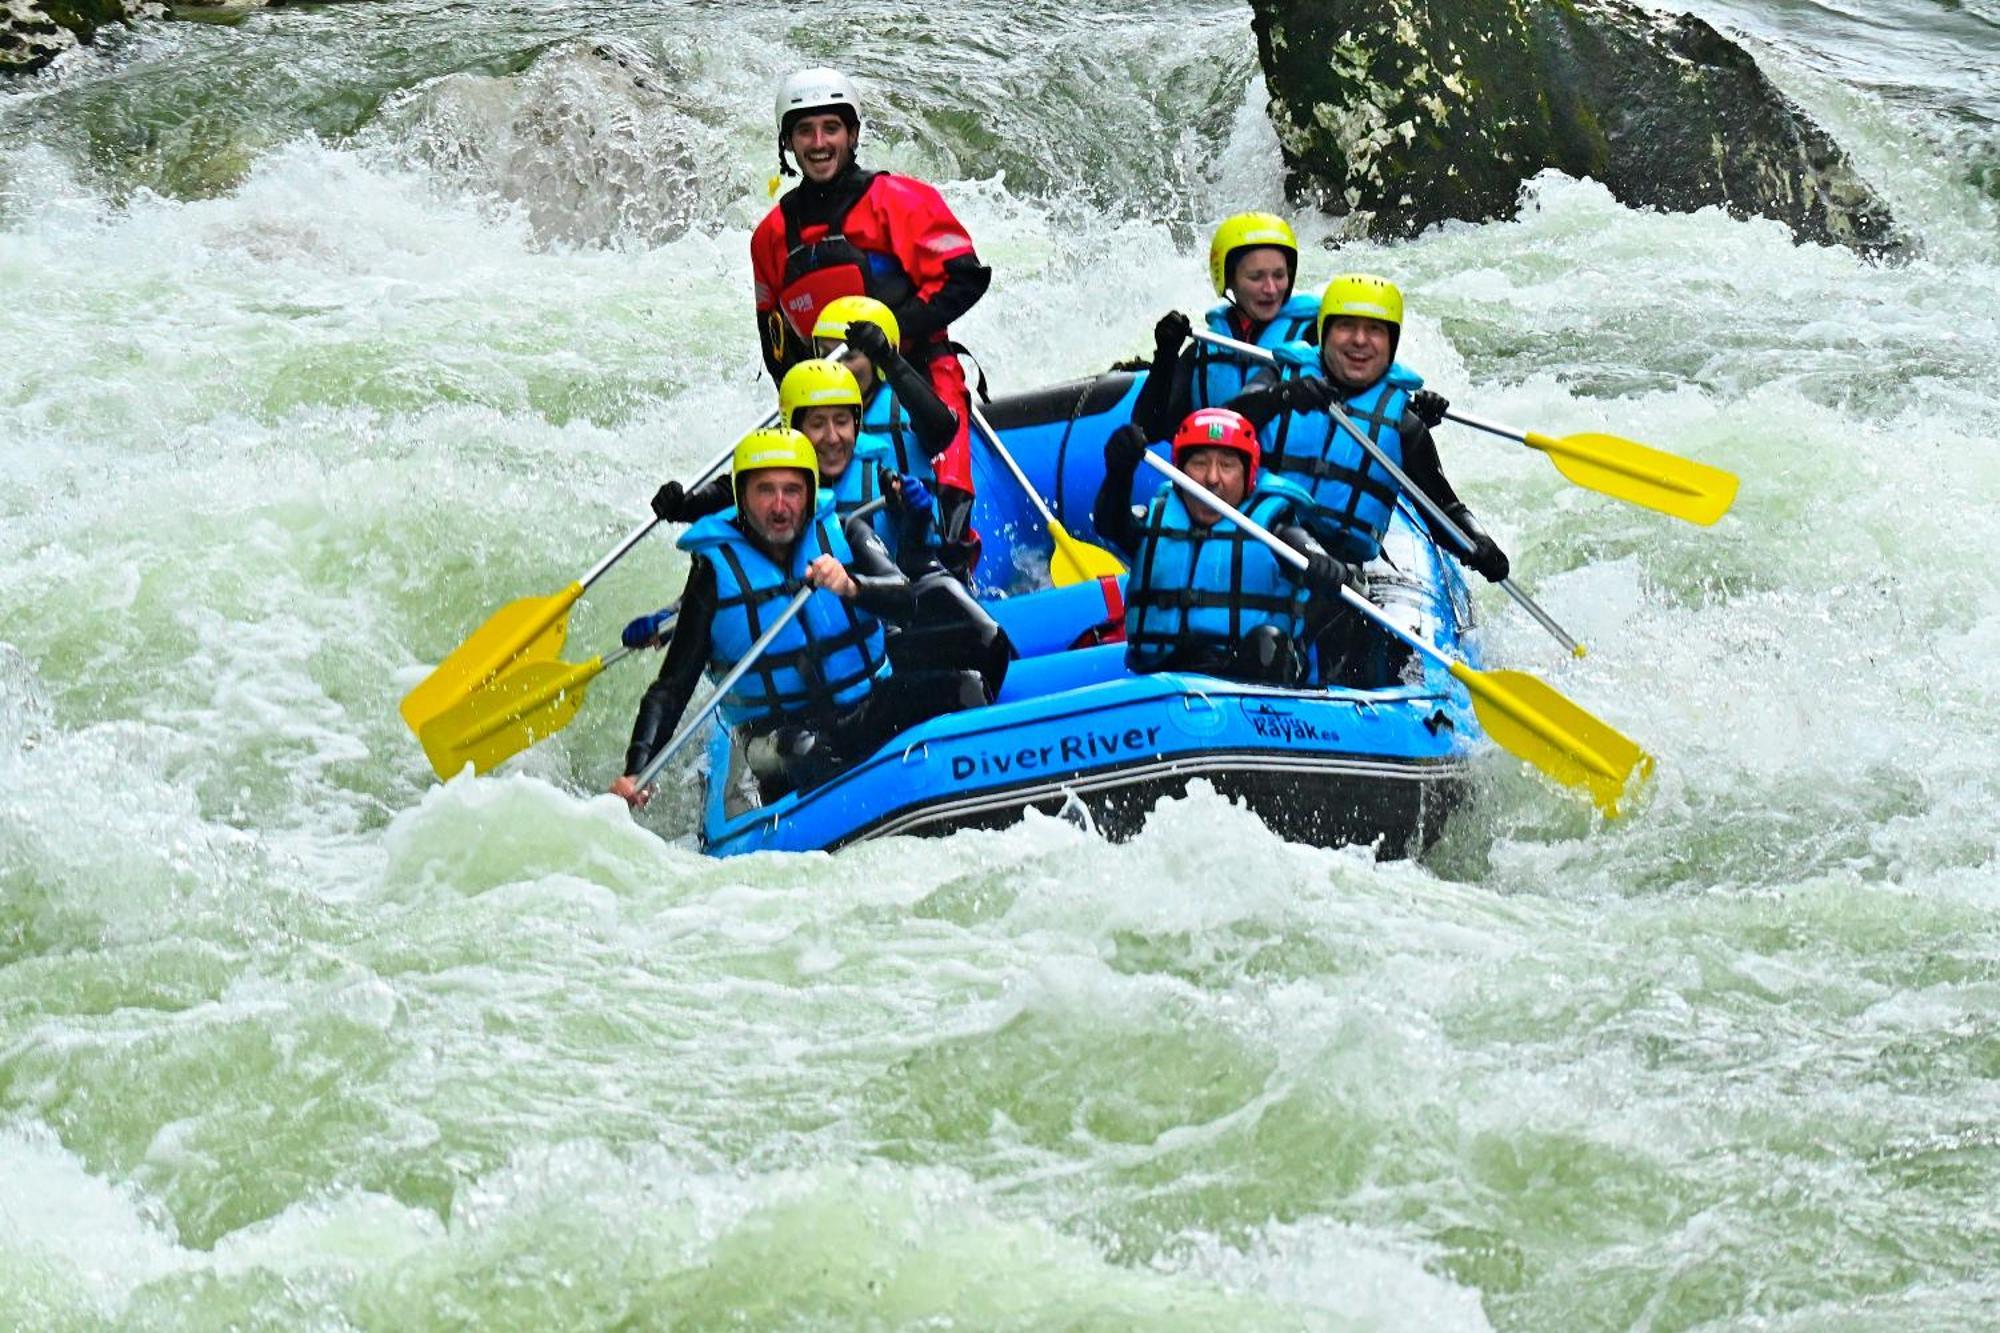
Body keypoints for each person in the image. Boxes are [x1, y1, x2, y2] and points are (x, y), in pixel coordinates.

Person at [611, 428, 985, 809]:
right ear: (741, 497)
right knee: (805, 750)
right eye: (764, 490)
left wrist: (853, 586)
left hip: (864, 704)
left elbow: (909, 601)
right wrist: (637, 767)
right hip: (777, 737)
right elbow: (672, 687)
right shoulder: (712, 574)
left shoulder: (845, 533)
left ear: (808, 495)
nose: (779, 506)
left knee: (965, 688)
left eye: (791, 490)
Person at [639, 355, 1011, 698]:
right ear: (794, 429)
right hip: (805, 654)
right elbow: (731, 566)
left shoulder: (882, 479)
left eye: (841, 422)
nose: (832, 438)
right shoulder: (767, 492)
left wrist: (914, 518)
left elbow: (907, 569)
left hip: (877, 626)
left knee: (978, 632)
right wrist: (679, 510)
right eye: (817, 423)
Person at [750, 68, 990, 560]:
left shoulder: (898, 201)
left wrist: (890, 334)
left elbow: (965, 277)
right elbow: (777, 346)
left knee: (949, 497)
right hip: (830, 397)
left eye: (831, 128)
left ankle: (954, 562)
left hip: (919, 374)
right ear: (788, 143)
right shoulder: (770, 236)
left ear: (853, 134)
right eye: (805, 130)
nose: (819, 143)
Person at [1224, 273, 1507, 581]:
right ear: (1325, 332)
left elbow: (1444, 509)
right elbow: (1222, 426)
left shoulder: (1404, 426)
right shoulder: (1278, 379)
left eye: (1374, 330)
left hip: (1335, 574)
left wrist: (1479, 541)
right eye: (1346, 326)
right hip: (1253, 544)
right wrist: (1282, 397)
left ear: (1392, 342)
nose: (1360, 340)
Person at [1093, 407, 1357, 684]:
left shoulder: (1277, 528)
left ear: (1248, 477)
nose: (1212, 479)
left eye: (1227, 465)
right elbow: (1109, 524)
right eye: (1199, 463)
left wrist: (1328, 569)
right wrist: (1118, 474)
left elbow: (1319, 561)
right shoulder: (1154, 521)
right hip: (1160, 681)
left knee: (1269, 642)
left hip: (1247, 687)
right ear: (1179, 471)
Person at [1133, 212, 1322, 442]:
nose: (1271, 289)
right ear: (1229, 279)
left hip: (1286, 477)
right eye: (1256, 277)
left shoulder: (1316, 335)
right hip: (1218, 475)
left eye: (1279, 275)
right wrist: (1165, 356)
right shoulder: (1204, 349)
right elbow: (1149, 429)